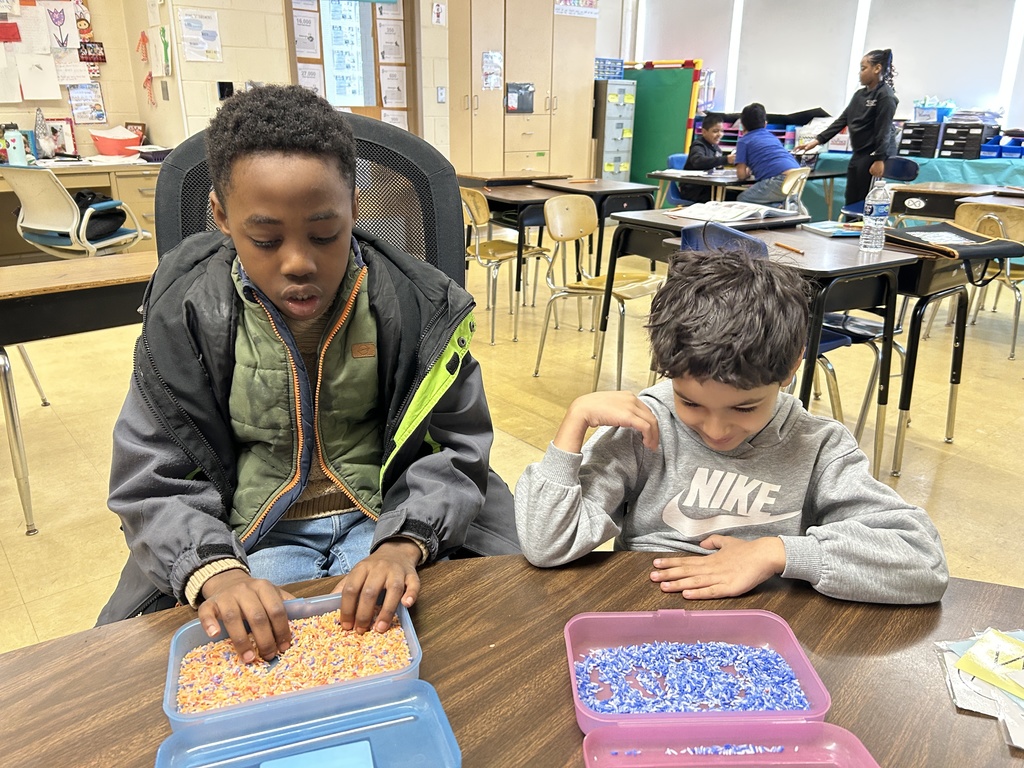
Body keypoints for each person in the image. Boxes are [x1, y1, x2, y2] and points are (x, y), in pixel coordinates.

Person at [97, 84, 519, 662]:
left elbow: (456, 447)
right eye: (265, 240)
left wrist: (406, 542)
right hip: (254, 539)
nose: (298, 262)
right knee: (262, 666)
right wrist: (215, 572)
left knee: (462, 657)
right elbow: (152, 476)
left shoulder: (417, 306)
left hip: (392, 523)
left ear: (354, 206)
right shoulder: (186, 316)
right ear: (220, 215)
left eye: (325, 234)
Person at [514, 249, 948, 605]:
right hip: (646, 610)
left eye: (745, 408)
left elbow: (923, 562)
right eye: (690, 402)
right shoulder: (643, 426)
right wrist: (573, 426)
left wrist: (777, 551)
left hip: (768, 625)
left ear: (793, 366)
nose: (717, 430)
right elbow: (545, 544)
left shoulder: (819, 446)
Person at [797, 49, 898, 206]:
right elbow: (843, 120)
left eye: (863, 68)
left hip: (874, 155)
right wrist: (817, 141)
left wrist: (880, 159)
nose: (860, 73)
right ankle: (849, 227)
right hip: (859, 154)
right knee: (850, 197)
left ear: (877, 68)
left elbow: (883, 130)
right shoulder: (859, 95)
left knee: (864, 201)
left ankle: (862, 229)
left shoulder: (885, 96)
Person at [734, 102, 799, 205]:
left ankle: (777, 209)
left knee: (743, 199)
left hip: (778, 180)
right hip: (797, 176)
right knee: (776, 199)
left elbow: (741, 175)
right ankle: (781, 208)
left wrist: (746, 173)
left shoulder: (744, 141)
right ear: (765, 124)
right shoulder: (772, 137)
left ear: (742, 124)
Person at [675, 114, 735, 204]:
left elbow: (717, 168)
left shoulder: (717, 149)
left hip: (709, 187)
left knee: (735, 194)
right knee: (731, 197)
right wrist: (725, 159)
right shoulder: (698, 145)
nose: (720, 135)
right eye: (715, 131)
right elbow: (698, 161)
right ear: (704, 132)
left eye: (722, 131)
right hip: (694, 190)